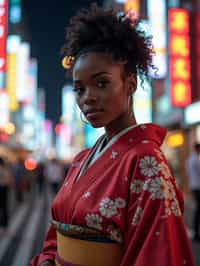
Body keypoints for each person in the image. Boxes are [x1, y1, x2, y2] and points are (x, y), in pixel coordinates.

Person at [31, 4, 194, 266]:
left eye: (102, 83)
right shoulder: (82, 159)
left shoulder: (146, 162)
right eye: (79, 89)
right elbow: (56, 237)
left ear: (130, 83)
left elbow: (156, 254)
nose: (88, 98)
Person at [186, 142, 200, 242]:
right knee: (198, 209)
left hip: (193, 185)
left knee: (198, 208)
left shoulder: (189, 159)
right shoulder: (195, 159)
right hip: (198, 186)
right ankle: (196, 232)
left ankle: (195, 232)